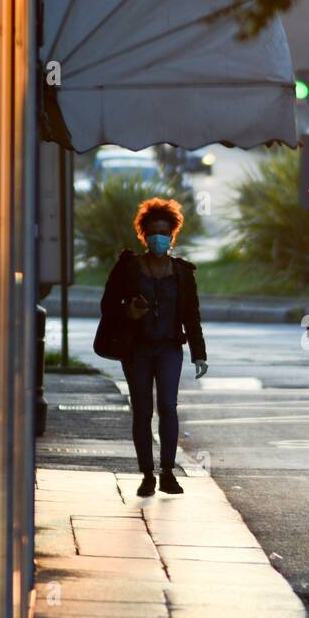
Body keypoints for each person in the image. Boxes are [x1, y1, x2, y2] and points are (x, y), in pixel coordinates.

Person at [101, 197, 207, 497]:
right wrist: (127, 310)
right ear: (143, 234)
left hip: (170, 348)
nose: (158, 237)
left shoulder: (183, 273)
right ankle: (147, 473)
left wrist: (199, 354)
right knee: (142, 410)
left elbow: (191, 315)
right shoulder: (128, 267)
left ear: (173, 235)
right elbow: (107, 304)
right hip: (137, 349)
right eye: (152, 232)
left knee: (168, 408)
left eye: (164, 232)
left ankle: (168, 472)